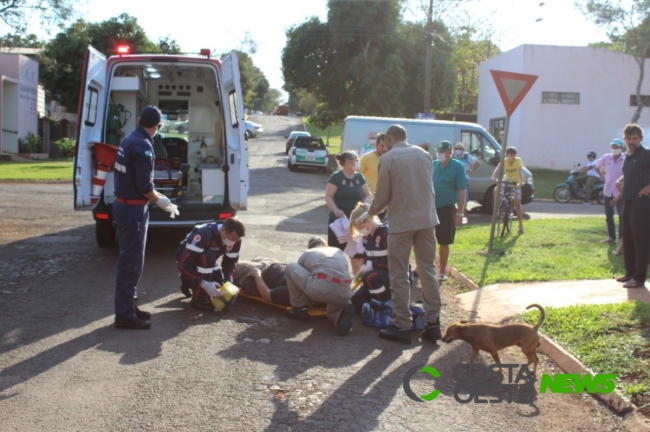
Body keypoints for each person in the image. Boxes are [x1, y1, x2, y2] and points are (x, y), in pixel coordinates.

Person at [367, 124, 442, 345]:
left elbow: (380, 199)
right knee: (427, 270)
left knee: (399, 275)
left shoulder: (389, 159)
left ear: (389, 139)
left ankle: (402, 326)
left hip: (402, 223)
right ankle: (433, 323)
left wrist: (367, 212)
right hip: (427, 220)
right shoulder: (424, 154)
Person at [112, 106, 179, 330]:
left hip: (126, 206)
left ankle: (129, 307)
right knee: (131, 264)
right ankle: (124, 315)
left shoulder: (130, 139)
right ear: (156, 126)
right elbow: (143, 186)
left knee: (130, 261)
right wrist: (161, 201)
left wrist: (161, 199)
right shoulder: (143, 145)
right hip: (133, 211)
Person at [285, 237, 356, 336]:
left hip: (321, 289)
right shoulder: (338, 251)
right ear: (324, 243)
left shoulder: (307, 253)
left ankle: (300, 309)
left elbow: (299, 278)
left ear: (310, 247)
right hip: (345, 292)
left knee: (290, 267)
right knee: (332, 312)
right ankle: (340, 317)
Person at [176, 217, 246, 310]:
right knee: (208, 257)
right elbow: (184, 265)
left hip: (209, 260)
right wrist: (204, 284)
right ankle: (198, 300)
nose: (232, 243)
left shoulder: (235, 239)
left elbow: (230, 264)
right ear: (222, 230)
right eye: (230, 239)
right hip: (187, 257)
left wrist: (228, 283)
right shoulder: (203, 234)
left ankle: (189, 280)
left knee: (219, 283)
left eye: (235, 241)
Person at [325, 151, 372, 275]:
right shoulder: (336, 177)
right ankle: (336, 279)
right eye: (356, 159)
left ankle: (357, 283)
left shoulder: (359, 177)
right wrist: (335, 210)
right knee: (336, 253)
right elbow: (328, 197)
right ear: (348, 162)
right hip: (339, 221)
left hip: (357, 222)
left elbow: (367, 194)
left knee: (358, 254)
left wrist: (366, 204)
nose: (358, 162)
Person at [615, 124, 650, 289]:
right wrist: (621, 181)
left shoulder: (647, 154)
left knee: (640, 239)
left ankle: (638, 277)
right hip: (628, 200)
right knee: (627, 238)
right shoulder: (628, 156)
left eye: (634, 138)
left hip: (642, 202)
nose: (631, 141)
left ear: (640, 139)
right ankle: (629, 273)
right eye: (628, 138)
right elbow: (630, 173)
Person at [433, 141, 467, 281]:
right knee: (425, 239)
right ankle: (424, 267)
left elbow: (462, 190)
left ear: (449, 152)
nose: (440, 154)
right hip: (430, 208)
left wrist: (460, 213)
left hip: (446, 209)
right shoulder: (434, 164)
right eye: (438, 151)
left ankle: (442, 271)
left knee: (444, 241)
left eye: (443, 152)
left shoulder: (457, 166)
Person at [348, 202, 390, 313]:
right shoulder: (367, 238)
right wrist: (365, 265)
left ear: (368, 221)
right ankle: (373, 301)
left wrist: (372, 265)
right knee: (353, 302)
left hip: (392, 274)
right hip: (377, 275)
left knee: (369, 277)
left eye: (360, 229)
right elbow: (367, 257)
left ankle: (385, 303)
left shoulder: (386, 233)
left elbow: (395, 261)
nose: (360, 233)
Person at [594, 139, 625, 245]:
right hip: (608, 191)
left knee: (622, 215)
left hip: (620, 192)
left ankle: (622, 238)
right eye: (613, 147)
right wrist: (603, 176)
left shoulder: (625, 159)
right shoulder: (607, 157)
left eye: (616, 147)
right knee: (609, 214)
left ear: (621, 148)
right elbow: (596, 166)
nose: (614, 149)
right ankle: (611, 236)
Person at [492, 147, 526, 234]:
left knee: (517, 203)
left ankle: (520, 226)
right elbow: (498, 169)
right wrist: (493, 176)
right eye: (510, 155)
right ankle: (498, 209)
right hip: (506, 180)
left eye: (514, 155)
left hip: (515, 182)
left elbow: (520, 172)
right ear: (507, 155)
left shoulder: (518, 161)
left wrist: (522, 181)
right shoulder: (504, 161)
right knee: (496, 189)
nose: (512, 157)